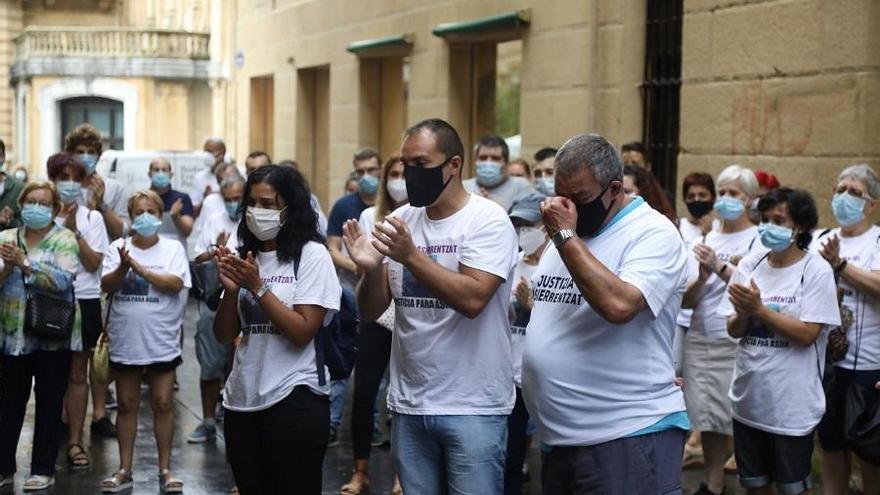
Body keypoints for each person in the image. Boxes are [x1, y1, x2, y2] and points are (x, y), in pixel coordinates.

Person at [342, 118, 518, 494]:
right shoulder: (401, 219)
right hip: (409, 405)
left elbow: (473, 298)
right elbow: (373, 310)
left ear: (454, 165)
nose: (410, 174)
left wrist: (411, 256)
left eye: (421, 164)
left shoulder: (487, 220)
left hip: (473, 406)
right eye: (406, 165)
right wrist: (371, 271)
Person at [521, 133, 689, 494]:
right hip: (562, 440)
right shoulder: (568, 231)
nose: (567, 208)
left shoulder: (652, 232)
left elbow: (619, 305)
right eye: (561, 196)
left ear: (614, 189)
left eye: (579, 199)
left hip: (625, 435)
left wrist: (565, 236)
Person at [214, 165, 341, 494]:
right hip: (242, 401)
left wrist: (257, 287)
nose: (259, 212)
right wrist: (231, 290)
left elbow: (302, 332)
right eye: (253, 203)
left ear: (291, 209)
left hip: (294, 398)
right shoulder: (246, 257)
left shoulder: (312, 256)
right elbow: (225, 335)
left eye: (269, 204)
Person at [721, 187, 840, 495]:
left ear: (799, 227)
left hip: (791, 407)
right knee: (754, 485)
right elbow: (733, 329)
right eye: (765, 219)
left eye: (779, 220)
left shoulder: (815, 270)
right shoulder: (750, 264)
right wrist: (746, 314)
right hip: (748, 401)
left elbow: (807, 334)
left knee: (792, 489)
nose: (768, 227)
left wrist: (759, 309)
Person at [679, 164, 764, 495]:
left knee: (732, 414)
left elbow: (757, 288)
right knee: (707, 415)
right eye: (723, 192)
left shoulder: (758, 239)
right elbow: (685, 301)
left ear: (750, 199)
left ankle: (744, 477)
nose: (726, 199)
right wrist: (702, 276)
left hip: (738, 337)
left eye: (734, 193)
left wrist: (722, 266)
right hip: (701, 337)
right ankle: (712, 482)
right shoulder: (706, 238)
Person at [100, 190, 190, 493]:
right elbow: (106, 284)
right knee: (126, 404)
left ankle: (165, 469)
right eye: (139, 211)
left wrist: (137, 267)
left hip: (161, 339)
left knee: (163, 403)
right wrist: (124, 266)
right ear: (130, 216)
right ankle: (125, 468)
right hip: (126, 339)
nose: (145, 217)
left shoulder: (173, 249)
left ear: (161, 214)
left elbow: (175, 284)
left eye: (151, 211)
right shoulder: (118, 247)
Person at [0, 181, 79, 491]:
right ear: (21, 204)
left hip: (52, 336)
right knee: (8, 404)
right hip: (10, 337)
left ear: (54, 208)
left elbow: (63, 281)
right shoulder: (6, 238)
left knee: (48, 403)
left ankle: (43, 468)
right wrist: (9, 266)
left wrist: (25, 263)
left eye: (44, 202)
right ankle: (4, 466)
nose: (37, 206)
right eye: (31, 201)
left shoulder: (64, 239)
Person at [340, 155, 407, 495]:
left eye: (404, 174)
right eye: (393, 174)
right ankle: (360, 471)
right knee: (364, 392)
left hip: (411, 317)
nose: (399, 180)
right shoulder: (370, 216)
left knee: (402, 398)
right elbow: (365, 266)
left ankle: (402, 473)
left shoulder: (423, 217)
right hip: (376, 314)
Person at [813, 164, 880, 494]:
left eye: (854, 192)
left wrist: (840, 265)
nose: (844, 197)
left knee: (870, 451)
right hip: (827, 364)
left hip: (868, 365)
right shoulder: (820, 239)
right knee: (832, 445)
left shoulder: (878, 239)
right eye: (840, 190)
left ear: (872, 204)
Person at [48, 153, 112, 468]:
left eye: (76, 179)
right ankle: (50, 433)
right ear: (53, 181)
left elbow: (93, 263)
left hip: (83, 300)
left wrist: (74, 230)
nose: (70, 185)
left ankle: (75, 440)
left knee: (77, 372)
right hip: (49, 300)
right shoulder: (41, 214)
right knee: (49, 372)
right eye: (63, 178)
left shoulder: (92, 218)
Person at [326, 148, 382, 445]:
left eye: (372, 170)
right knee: (341, 358)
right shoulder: (344, 206)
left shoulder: (390, 207)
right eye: (360, 172)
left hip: (380, 296)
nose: (366, 177)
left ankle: (371, 425)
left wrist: (372, 272)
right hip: (347, 294)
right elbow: (332, 247)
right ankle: (332, 424)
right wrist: (359, 266)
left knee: (375, 369)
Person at [187, 175, 243, 443]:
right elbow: (197, 258)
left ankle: (237, 419)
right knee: (209, 362)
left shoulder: (254, 222)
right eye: (228, 199)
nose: (233, 204)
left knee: (240, 364)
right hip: (214, 300)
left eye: (238, 198)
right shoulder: (214, 220)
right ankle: (208, 420)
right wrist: (216, 251)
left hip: (247, 304)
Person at [505, 192, 548, 495]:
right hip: (510, 375)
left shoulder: (556, 266)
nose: (524, 232)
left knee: (552, 452)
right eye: (518, 224)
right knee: (510, 452)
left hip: (544, 377)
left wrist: (532, 306)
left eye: (530, 224)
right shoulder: (512, 263)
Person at [64, 124, 129, 240]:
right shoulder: (64, 187)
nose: (85, 157)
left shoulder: (116, 188)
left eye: (91, 152)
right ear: (70, 155)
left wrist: (101, 205)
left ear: (98, 156)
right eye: (80, 152)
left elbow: (121, 233)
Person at [463, 135, 535, 211]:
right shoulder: (463, 187)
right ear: (475, 161)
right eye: (483, 158)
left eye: (495, 158)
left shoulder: (521, 187)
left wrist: (497, 209)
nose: (488, 163)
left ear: (506, 163)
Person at [148, 157, 195, 247]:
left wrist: (176, 216)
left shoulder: (181, 198)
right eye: (156, 170)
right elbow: (131, 230)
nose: (160, 173)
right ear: (149, 174)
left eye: (164, 170)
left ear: (171, 174)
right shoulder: (143, 199)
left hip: (175, 254)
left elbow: (187, 232)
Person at [192, 137, 228, 216]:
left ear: (222, 154)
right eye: (205, 151)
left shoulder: (234, 174)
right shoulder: (199, 177)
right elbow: (194, 211)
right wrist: (205, 198)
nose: (206, 155)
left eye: (210, 151)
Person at [680, 172, 717, 242]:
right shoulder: (677, 227)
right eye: (691, 196)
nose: (696, 199)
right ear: (684, 200)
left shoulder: (721, 229)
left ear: (713, 198)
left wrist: (709, 234)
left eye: (702, 195)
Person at [0, 139, 23, 230]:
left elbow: (27, 226)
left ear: (4, 158)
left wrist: (10, 221)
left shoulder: (18, 188)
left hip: (10, 243)